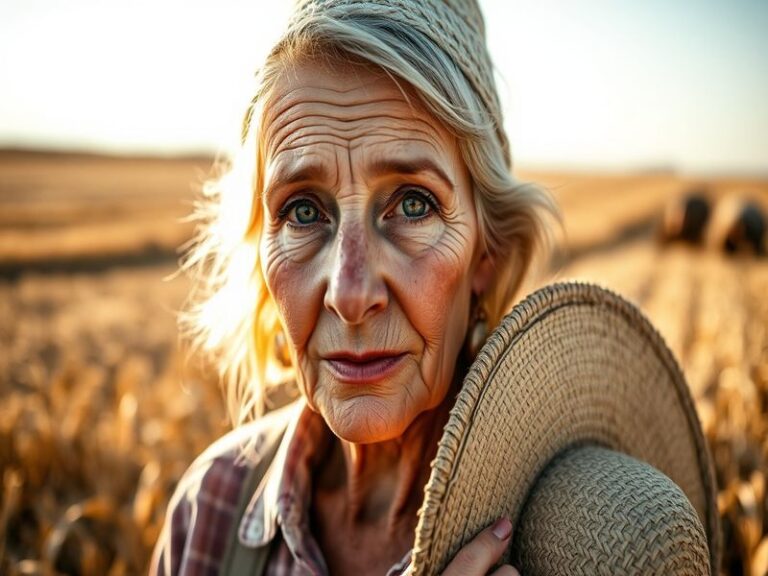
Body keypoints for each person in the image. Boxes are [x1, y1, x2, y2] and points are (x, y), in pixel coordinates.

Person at [150, 0, 556, 574]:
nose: (349, 292)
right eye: (302, 211)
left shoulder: (568, 541)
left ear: (487, 253)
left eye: (413, 205)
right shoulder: (208, 514)